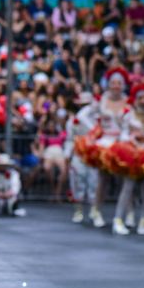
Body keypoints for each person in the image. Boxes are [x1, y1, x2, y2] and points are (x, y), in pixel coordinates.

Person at [76, 67, 130, 228]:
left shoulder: (128, 101)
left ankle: (125, 213)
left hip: (123, 142)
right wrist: (95, 128)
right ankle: (97, 210)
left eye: (119, 83)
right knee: (103, 179)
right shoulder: (101, 100)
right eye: (113, 82)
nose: (116, 86)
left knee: (125, 180)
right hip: (105, 142)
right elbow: (82, 116)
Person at [110, 83, 144, 235]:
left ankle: (143, 221)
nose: (143, 101)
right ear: (135, 100)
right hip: (132, 155)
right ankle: (118, 219)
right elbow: (123, 134)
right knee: (128, 186)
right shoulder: (129, 115)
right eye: (140, 98)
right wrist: (134, 139)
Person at [65, 92, 99, 223]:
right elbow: (69, 139)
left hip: (94, 154)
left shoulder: (97, 121)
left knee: (94, 182)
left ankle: (94, 210)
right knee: (77, 181)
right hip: (79, 154)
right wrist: (68, 153)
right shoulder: (74, 121)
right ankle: (78, 210)